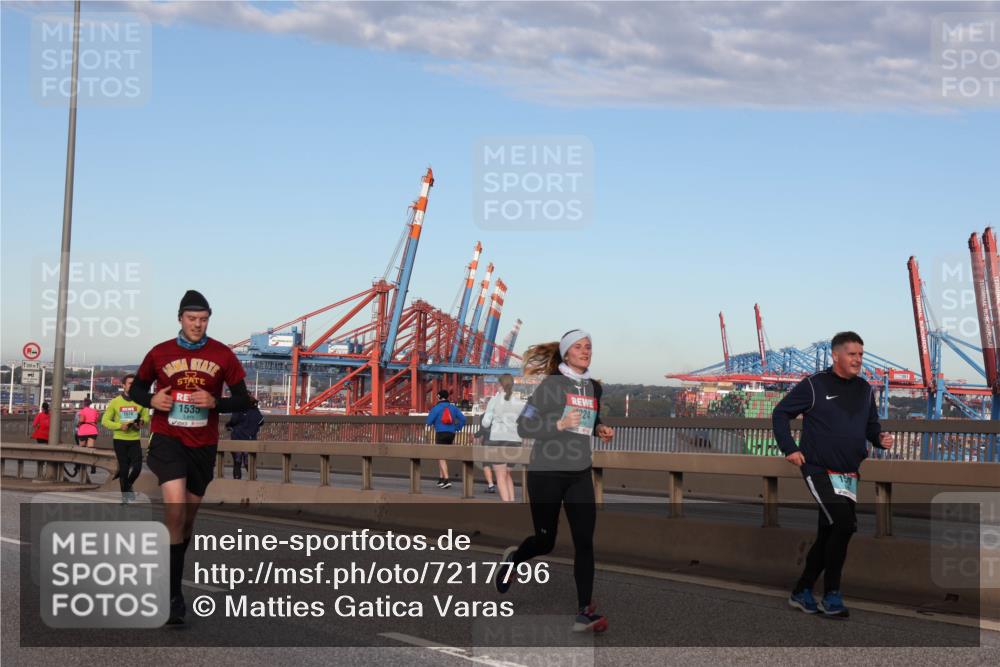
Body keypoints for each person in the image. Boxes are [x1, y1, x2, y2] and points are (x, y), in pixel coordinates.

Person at [128, 290, 253, 625]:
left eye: (203, 320)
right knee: (175, 509)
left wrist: (216, 404)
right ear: (180, 319)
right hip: (168, 440)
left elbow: (245, 401)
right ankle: (172, 597)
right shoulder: (160, 352)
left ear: (208, 319)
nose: (197, 325)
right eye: (191, 319)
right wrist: (153, 400)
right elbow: (136, 390)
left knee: (186, 521)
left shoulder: (223, 355)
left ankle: (171, 562)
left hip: (203, 444)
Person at [495, 330, 614, 633]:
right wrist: (558, 423)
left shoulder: (594, 388)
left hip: (579, 473)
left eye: (589, 346)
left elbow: (590, 419)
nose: (585, 351)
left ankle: (583, 612)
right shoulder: (550, 386)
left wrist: (600, 428)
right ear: (566, 353)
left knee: (585, 541)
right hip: (546, 473)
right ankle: (515, 558)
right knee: (545, 542)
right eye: (579, 347)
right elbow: (525, 425)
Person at [773, 331, 894, 618]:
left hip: (849, 473)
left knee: (830, 531)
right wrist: (789, 448)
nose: (858, 360)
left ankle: (802, 590)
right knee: (844, 525)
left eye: (861, 355)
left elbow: (870, 426)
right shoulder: (815, 385)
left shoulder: (865, 389)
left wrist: (880, 439)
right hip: (818, 468)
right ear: (836, 355)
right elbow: (780, 414)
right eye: (852, 354)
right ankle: (832, 594)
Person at [102, 374, 150, 503]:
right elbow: (105, 421)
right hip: (120, 439)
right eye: (130, 383)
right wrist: (119, 426)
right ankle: (125, 497)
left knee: (138, 468)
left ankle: (128, 486)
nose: (133, 386)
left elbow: (146, 417)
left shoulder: (140, 401)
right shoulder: (115, 402)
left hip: (134, 439)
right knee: (123, 469)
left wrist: (140, 423)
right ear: (123, 386)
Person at [481, 373, 526, 502]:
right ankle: (511, 502)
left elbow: (485, 423)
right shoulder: (519, 402)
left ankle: (507, 507)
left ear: (499, 385)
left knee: (500, 475)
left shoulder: (494, 401)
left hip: (497, 440)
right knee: (507, 474)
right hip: (515, 442)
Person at [425, 389, 466, 489]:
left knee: (441, 456)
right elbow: (463, 419)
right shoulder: (453, 408)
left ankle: (447, 480)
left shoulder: (436, 408)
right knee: (442, 456)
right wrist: (457, 427)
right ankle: (441, 479)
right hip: (451, 433)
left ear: (439, 397)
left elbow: (429, 421)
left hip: (441, 433)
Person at [225, 400, 264, 479]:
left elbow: (233, 420)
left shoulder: (239, 409)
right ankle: (253, 480)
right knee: (249, 463)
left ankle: (237, 482)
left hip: (237, 439)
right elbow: (261, 422)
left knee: (237, 462)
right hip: (250, 440)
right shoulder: (255, 411)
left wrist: (228, 425)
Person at [75, 398, 100, 473]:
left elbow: (82, 420)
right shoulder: (95, 411)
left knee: (82, 449)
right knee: (91, 448)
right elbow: (96, 420)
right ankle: (93, 466)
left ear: (84, 403)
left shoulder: (82, 411)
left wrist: (78, 424)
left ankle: (79, 465)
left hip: (83, 431)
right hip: (92, 430)